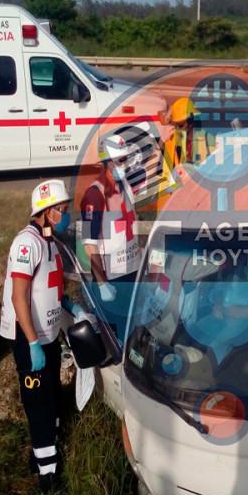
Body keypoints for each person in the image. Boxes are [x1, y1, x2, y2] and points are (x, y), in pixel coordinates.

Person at [0, 179, 71, 492]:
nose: (65, 213)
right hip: (31, 338)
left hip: (49, 335)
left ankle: (44, 451)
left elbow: (50, 288)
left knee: (52, 397)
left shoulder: (51, 242)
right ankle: (48, 476)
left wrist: (70, 307)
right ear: (44, 210)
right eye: (60, 208)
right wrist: (32, 343)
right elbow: (19, 297)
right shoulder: (27, 243)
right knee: (39, 403)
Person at [80, 133, 142, 343]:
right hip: (112, 278)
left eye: (125, 159)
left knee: (134, 328)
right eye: (120, 160)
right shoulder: (94, 195)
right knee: (116, 336)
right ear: (106, 162)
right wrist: (102, 283)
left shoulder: (126, 187)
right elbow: (90, 244)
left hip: (132, 270)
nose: (124, 165)